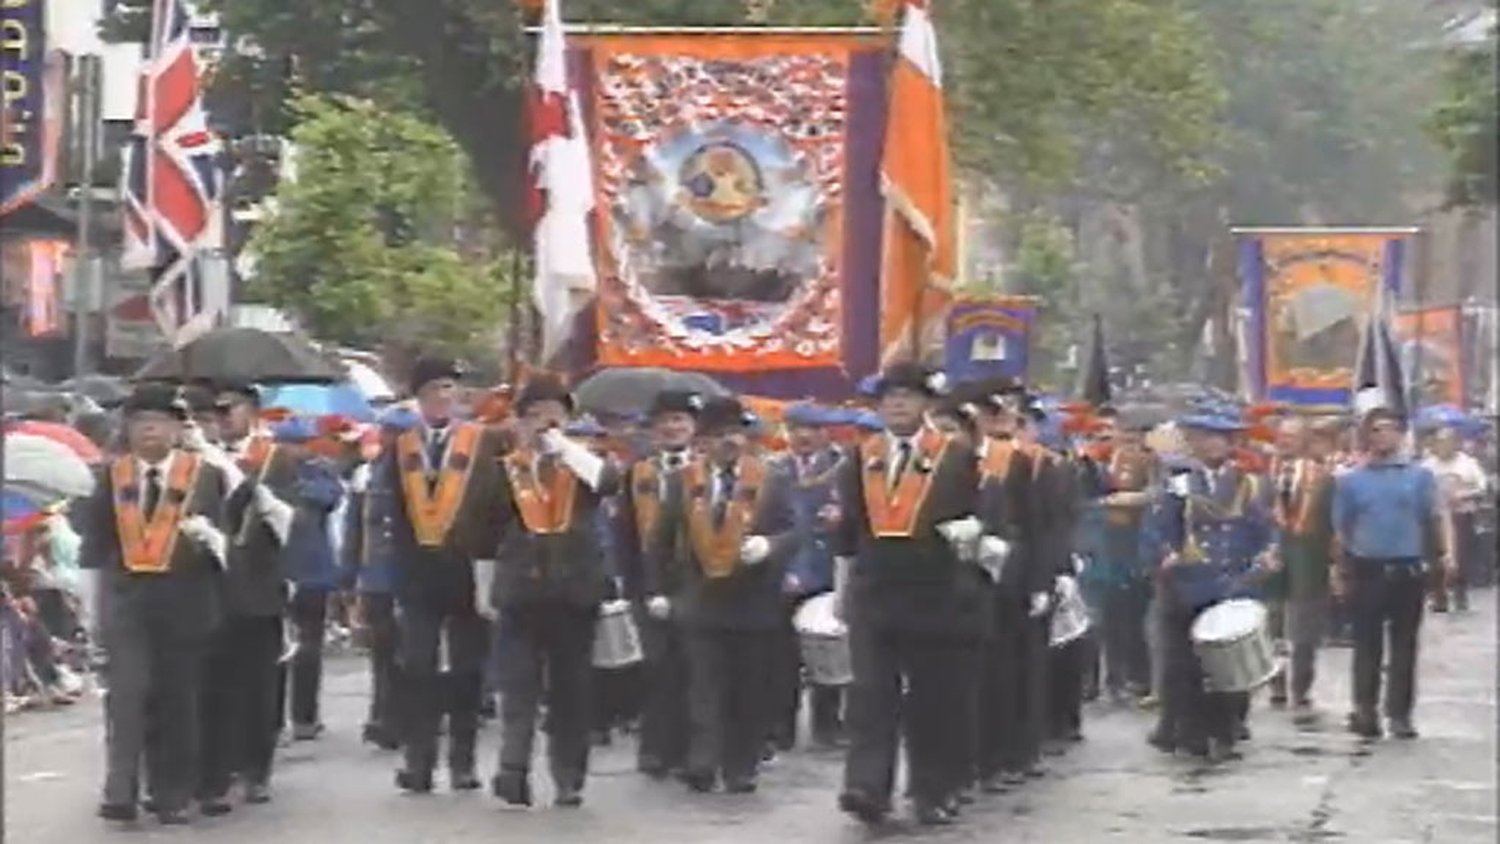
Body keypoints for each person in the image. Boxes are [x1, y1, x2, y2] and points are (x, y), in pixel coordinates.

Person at [832, 362, 985, 827]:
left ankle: (934, 788)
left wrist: (974, 531)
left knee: (933, 698)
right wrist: (842, 589)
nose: (896, 404)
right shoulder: (861, 457)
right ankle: (867, 787)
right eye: (888, 397)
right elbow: (848, 530)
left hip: (934, 591)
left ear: (926, 404)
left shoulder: (955, 456)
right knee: (870, 694)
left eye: (906, 396)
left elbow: (985, 514)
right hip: (875, 591)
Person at [78, 384, 234, 824]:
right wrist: (93, 610)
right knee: (128, 693)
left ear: (175, 428)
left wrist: (209, 538)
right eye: (140, 422)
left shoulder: (205, 475)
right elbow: (94, 548)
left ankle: (172, 794)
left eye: (159, 421)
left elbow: (230, 541)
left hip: (186, 602)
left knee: (177, 700)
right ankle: (120, 790)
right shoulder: (110, 477)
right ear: (126, 429)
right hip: (128, 603)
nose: (150, 430)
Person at [645, 396, 795, 795]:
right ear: (703, 441)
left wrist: (770, 546)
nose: (729, 442)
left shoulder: (770, 479)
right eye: (719, 435)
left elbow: (794, 531)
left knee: (748, 687)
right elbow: (660, 540)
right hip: (701, 598)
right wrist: (658, 589)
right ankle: (703, 761)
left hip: (753, 600)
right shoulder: (684, 481)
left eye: (735, 433)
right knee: (703, 684)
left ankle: (741, 765)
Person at [488, 375, 621, 808]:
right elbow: (479, 526)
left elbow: (608, 483)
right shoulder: (505, 466)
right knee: (518, 686)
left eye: (554, 415)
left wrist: (564, 447)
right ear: (519, 422)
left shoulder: (582, 463)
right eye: (533, 416)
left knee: (572, 690)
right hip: (520, 591)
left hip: (574, 593)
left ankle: (568, 776)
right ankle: (513, 770)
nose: (543, 424)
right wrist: (483, 585)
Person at [381, 357, 506, 793]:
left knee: (468, 670)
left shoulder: (483, 442)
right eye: (434, 389)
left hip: (469, 570)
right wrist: (386, 576)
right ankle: (419, 761)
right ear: (418, 397)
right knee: (418, 667)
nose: (443, 397)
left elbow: (497, 510)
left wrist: (493, 569)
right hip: (418, 574)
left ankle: (463, 761)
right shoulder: (401, 445)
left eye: (450, 388)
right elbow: (392, 514)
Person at [1148, 413, 1275, 763]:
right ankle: (1190, 733)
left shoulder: (1246, 483)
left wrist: (1266, 555)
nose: (1213, 444)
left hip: (1231, 581)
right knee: (1186, 665)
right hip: (1189, 582)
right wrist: (1167, 555)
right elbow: (1159, 528)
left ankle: (1225, 730)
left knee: (1227, 666)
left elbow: (1263, 529)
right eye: (1205, 437)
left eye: (1221, 438)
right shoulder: (1178, 484)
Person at [196, 386, 300, 813]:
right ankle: (218, 770)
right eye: (211, 413)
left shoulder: (276, 459)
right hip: (211, 589)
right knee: (215, 684)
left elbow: (289, 523)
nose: (220, 419)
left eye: (227, 409)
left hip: (259, 584)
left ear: (252, 412)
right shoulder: (198, 462)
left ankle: (257, 768)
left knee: (260, 684)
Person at [1333, 406, 1453, 740]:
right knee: (1366, 645)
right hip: (1367, 569)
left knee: (1405, 646)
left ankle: (1400, 713)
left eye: (1387, 429)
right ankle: (1365, 709)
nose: (1381, 435)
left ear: (1401, 434)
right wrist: (1339, 571)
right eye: (1374, 430)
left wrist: (1445, 555)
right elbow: (1341, 529)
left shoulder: (1419, 476)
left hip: (1408, 569)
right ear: (1365, 436)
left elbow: (1433, 517)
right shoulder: (1351, 480)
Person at [616, 389, 702, 779]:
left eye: (680, 420)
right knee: (655, 666)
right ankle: (654, 749)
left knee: (693, 667)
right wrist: (631, 583)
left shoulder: (705, 471)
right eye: (665, 421)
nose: (672, 428)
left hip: (697, 583)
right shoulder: (637, 473)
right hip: (648, 582)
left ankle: (688, 750)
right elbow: (624, 532)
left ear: (693, 428)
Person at [771, 403, 847, 751]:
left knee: (827, 648)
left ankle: (828, 724)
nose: (802, 436)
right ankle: (780, 725)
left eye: (811, 428)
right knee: (781, 654)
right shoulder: (776, 469)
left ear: (825, 432)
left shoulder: (843, 468)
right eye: (795, 428)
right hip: (782, 571)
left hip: (827, 571)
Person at [344, 406, 417, 751]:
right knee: (382, 651)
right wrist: (349, 578)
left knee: (411, 652)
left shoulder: (423, 474)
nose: (392, 440)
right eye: (388, 432)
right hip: (376, 576)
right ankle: (384, 715)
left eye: (399, 434)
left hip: (414, 576)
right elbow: (355, 529)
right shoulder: (367, 475)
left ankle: (405, 717)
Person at [274, 417, 346, 743]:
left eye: (302, 443)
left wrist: (300, 487)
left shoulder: (321, 472)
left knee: (309, 647)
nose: (298, 451)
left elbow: (330, 497)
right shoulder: (266, 474)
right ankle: (272, 719)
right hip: (277, 570)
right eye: (291, 444)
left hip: (313, 570)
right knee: (275, 650)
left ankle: (305, 716)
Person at [1264, 418, 1337, 716]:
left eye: (1293, 436)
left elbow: (1333, 523)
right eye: (1282, 436)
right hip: (1272, 556)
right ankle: (1276, 682)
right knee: (1272, 621)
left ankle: (1301, 686)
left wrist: (1334, 564)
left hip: (1309, 557)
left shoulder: (1323, 477)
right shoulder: (1261, 475)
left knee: (1305, 626)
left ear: (1306, 440)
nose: (1286, 441)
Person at [1422, 425, 1488, 613]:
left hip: (1461, 515)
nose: (1444, 446)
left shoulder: (1468, 463)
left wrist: (1464, 494)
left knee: (1461, 555)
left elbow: (1482, 487)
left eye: (1448, 441)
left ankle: (1460, 593)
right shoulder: (1428, 466)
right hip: (1435, 517)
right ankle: (1439, 595)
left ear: (1455, 443)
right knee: (1435, 557)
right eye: (1440, 442)